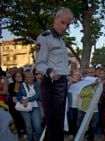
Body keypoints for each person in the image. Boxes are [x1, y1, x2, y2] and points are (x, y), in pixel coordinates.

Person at [35, 7, 73, 141]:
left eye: (68, 24)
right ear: (55, 19)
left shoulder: (61, 40)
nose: (65, 26)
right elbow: (39, 63)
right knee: (53, 121)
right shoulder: (45, 37)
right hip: (51, 83)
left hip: (62, 82)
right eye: (63, 22)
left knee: (59, 119)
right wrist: (50, 71)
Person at [16, 72, 43, 141]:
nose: (30, 78)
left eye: (31, 77)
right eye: (28, 77)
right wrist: (22, 101)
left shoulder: (37, 84)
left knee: (37, 126)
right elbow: (18, 95)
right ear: (25, 78)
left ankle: (40, 139)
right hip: (25, 107)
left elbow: (38, 95)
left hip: (35, 107)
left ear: (33, 78)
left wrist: (28, 99)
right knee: (28, 126)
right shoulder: (22, 85)